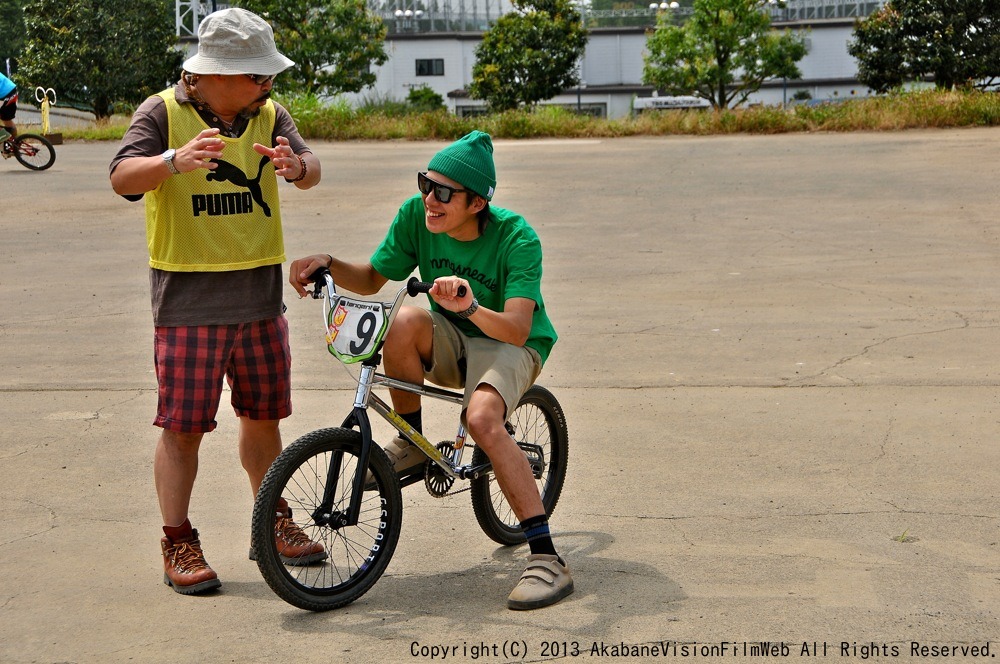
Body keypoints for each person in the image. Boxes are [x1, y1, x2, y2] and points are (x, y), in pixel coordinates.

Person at [288, 130, 573, 610]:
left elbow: (518, 329)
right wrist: (329, 264)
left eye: (443, 192)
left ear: (477, 202)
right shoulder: (415, 217)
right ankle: (412, 442)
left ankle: (547, 557)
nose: (429, 199)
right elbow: (374, 276)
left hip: (507, 340)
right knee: (398, 322)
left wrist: (469, 305)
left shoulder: (517, 237)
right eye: (425, 183)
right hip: (451, 333)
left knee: (482, 421)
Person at [109, 7, 324, 596]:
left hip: (259, 298)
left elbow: (312, 171)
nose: (267, 83)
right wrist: (171, 163)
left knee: (264, 420)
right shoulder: (162, 112)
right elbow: (122, 176)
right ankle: (177, 538)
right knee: (183, 429)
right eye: (256, 74)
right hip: (188, 301)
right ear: (216, 74)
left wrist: (296, 165)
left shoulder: (269, 113)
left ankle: (271, 523)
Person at [0, 71, 18, 146]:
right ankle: (16, 145)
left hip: (4, 94)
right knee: (6, 119)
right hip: (13, 90)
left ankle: (5, 138)